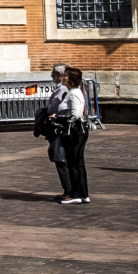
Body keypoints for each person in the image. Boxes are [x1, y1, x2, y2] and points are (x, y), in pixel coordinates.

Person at [54, 65, 92, 204]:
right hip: (76, 130)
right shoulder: (72, 92)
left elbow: (76, 114)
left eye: (65, 76)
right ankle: (83, 194)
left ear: (72, 79)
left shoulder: (74, 93)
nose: (62, 78)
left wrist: (62, 119)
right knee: (77, 163)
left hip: (74, 131)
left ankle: (76, 194)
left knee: (74, 163)